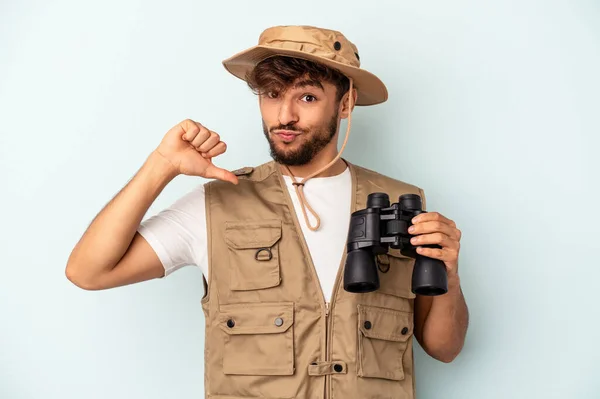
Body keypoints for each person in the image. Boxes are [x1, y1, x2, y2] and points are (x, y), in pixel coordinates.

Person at [66, 25, 468, 399]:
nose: (284, 116)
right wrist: (161, 166)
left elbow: (444, 348)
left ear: (345, 103)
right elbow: (88, 271)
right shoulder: (218, 203)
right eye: (272, 95)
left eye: (307, 97)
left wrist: (449, 273)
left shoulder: (400, 203)